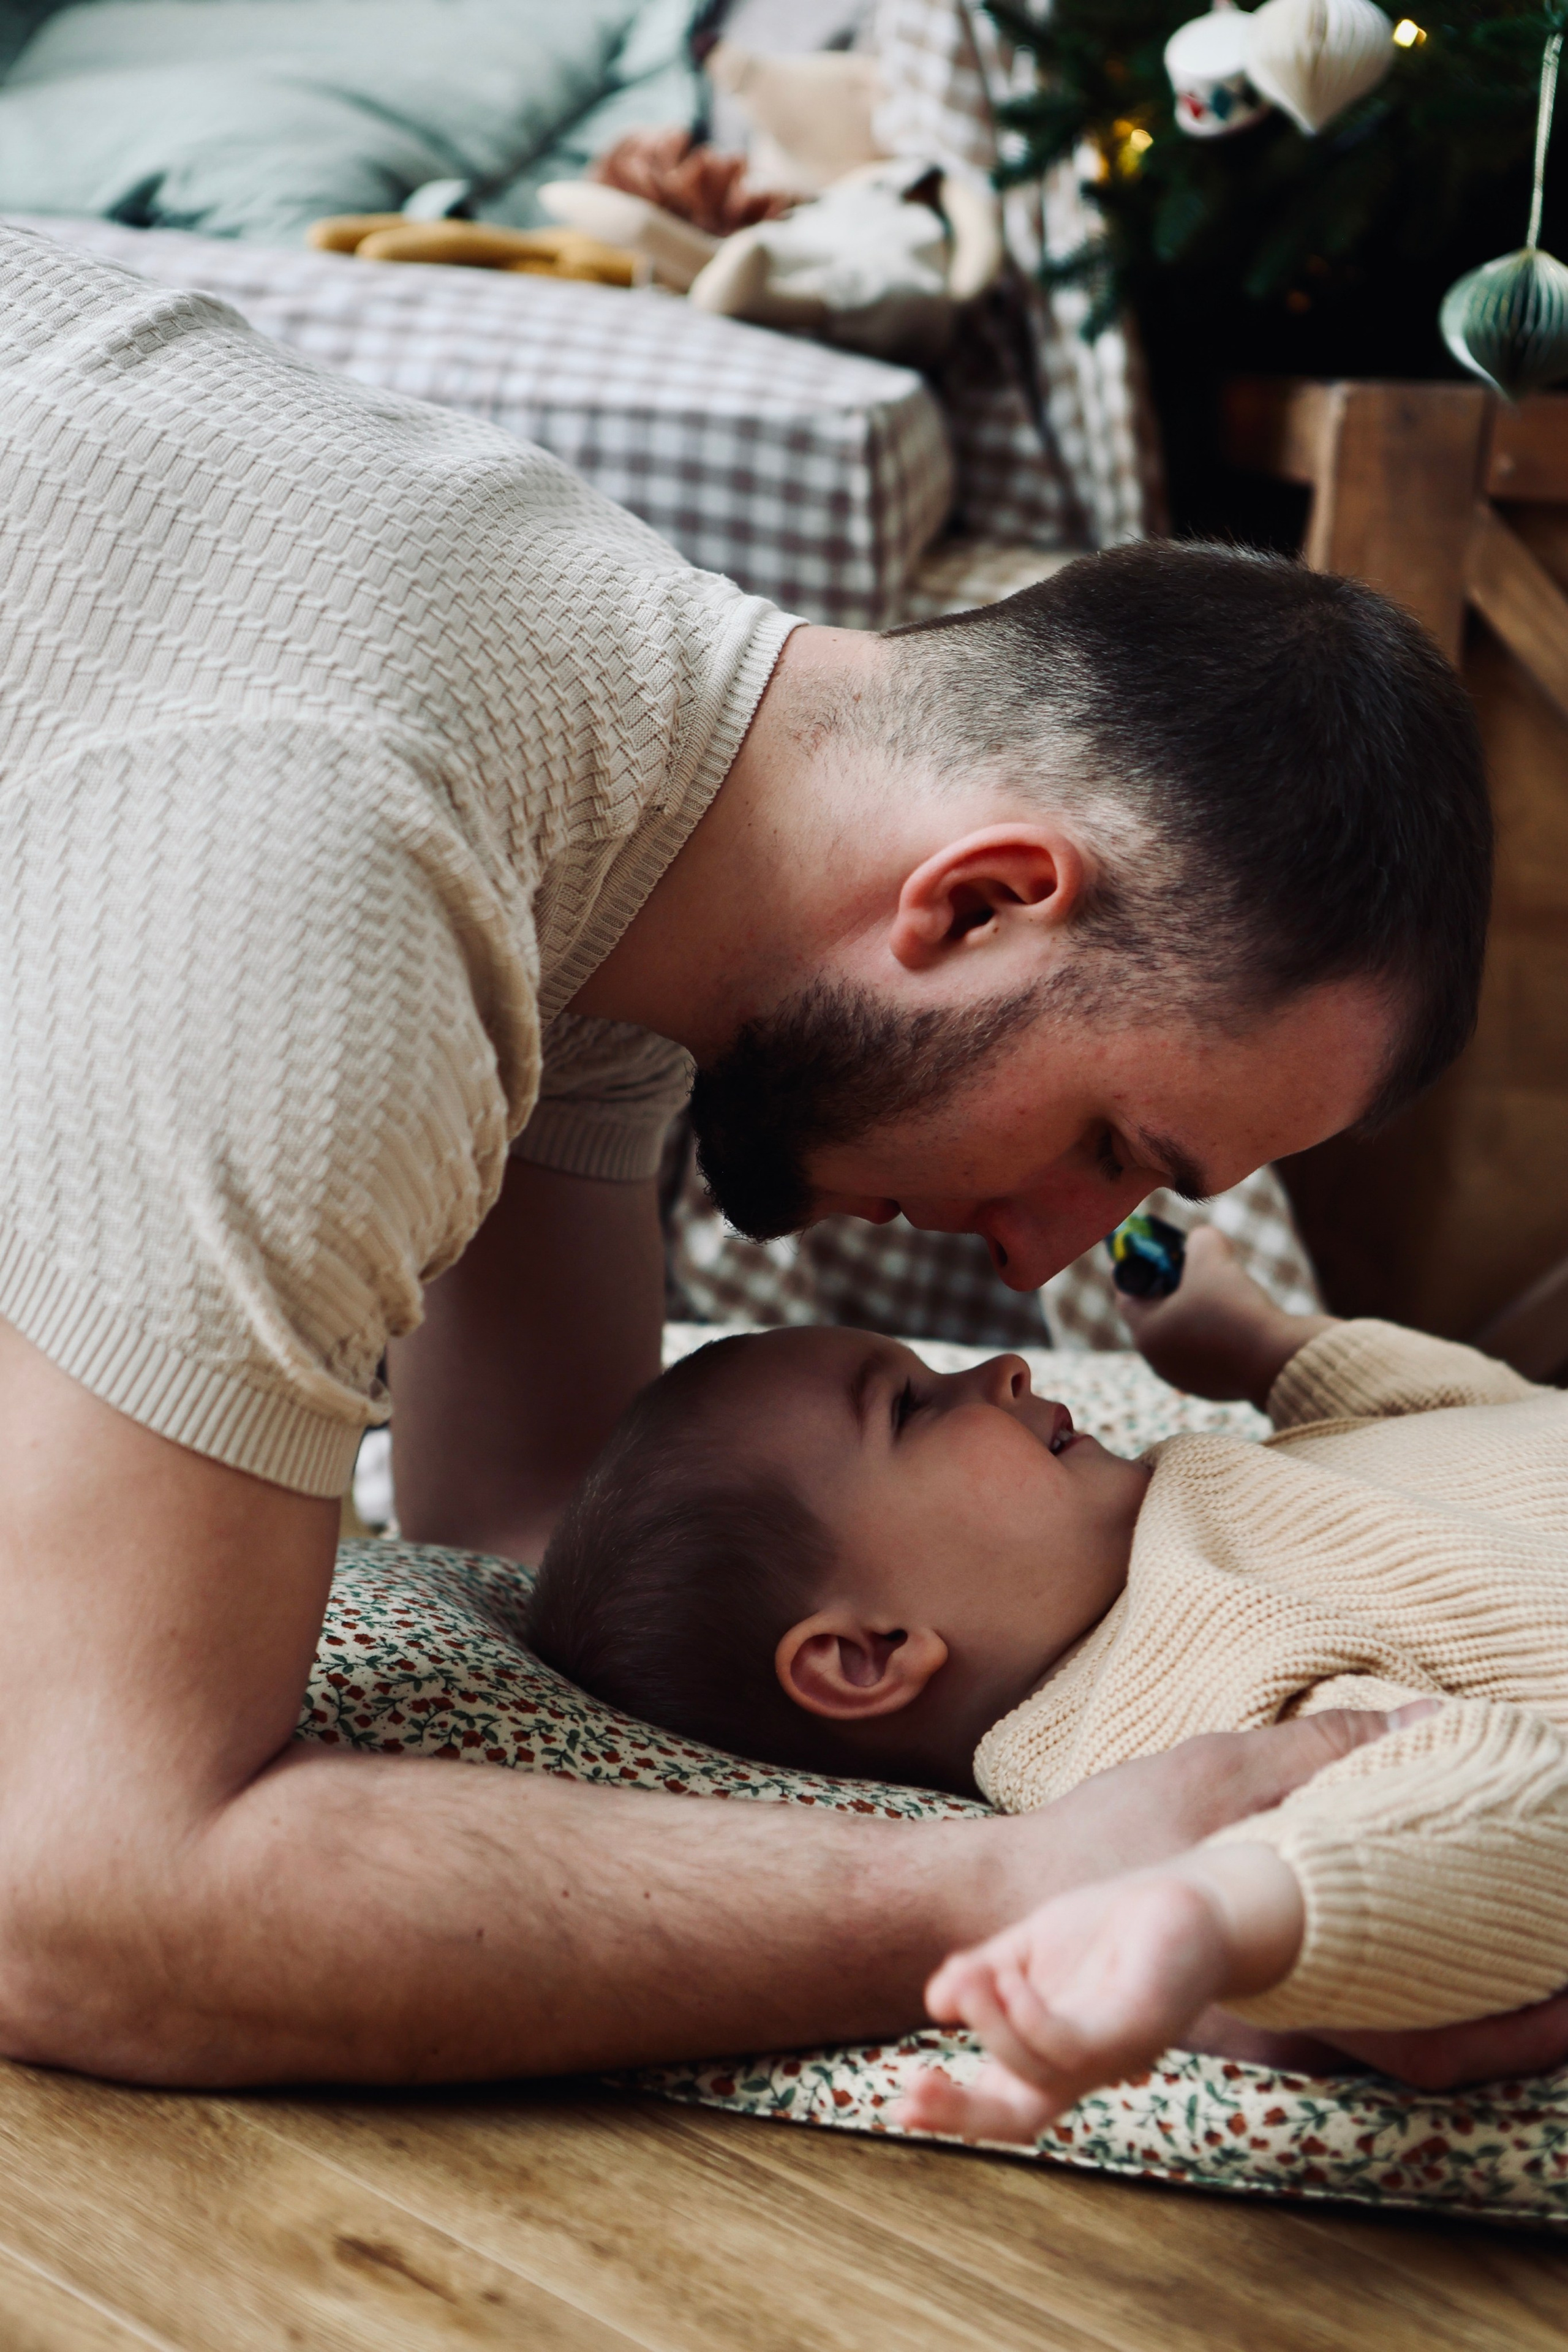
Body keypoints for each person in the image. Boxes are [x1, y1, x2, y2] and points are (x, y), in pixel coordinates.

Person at [0, 217, 1555, 2094]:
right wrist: (1015, 1891)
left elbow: (538, 1522)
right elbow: (76, 1896)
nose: (1038, 1265)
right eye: (1104, 1143)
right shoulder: (340, 879)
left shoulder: (607, 762)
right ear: (977, 900)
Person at [526, 1229, 1568, 2122]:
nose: (1007, 1370)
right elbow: (1487, 1820)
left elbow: (1467, 1416)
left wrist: (1263, 1346)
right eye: (913, 1410)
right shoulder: (1143, 1711)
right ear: (869, 1654)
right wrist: (1220, 1910)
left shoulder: (1174, 1493)